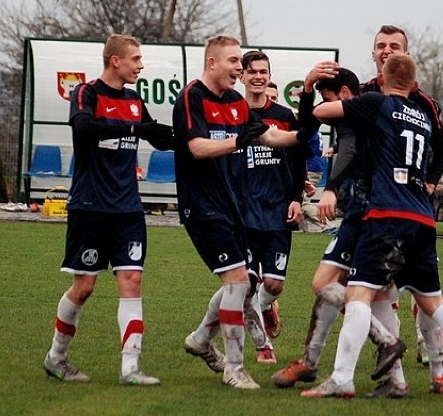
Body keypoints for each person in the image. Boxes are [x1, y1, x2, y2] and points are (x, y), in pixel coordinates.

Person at [301, 53, 443, 400]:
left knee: (358, 294)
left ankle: (342, 378)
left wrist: (315, 90)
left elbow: (321, 112)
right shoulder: (422, 116)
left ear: (384, 77)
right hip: (422, 217)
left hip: (386, 216)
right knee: (433, 301)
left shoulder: (378, 102)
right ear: (414, 83)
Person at [173, 35, 307, 390]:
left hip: (232, 206)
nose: (239, 69)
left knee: (242, 282)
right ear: (212, 62)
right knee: (237, 281)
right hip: (203, 206)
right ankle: (235, 367)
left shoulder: (235, 101)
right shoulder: (192, 97)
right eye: (234, 62)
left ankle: (202, 339)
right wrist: (237, 142)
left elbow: (266, 135)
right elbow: (197, 148)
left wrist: (300, 135)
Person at [43, 34, 175, 386]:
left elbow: (155, 134)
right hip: (90, 205)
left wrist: (199, 139)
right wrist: (134, 127)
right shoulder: (87, 93)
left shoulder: (134, 99)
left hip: (128, 208)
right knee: (84, 287)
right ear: (115, 61)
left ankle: (130, 368)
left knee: (132, 280)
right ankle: (56, 357)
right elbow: (83, 128)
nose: (141, 65)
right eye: (135, 59)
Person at [272, 64, 408, 397]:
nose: (324, 107)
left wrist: (331, 187)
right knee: (355, 292)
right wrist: (306, 88)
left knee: (330, 285)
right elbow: (307, 129)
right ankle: (313, 362)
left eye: (326, 97)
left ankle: (387, 347)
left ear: (344, 95)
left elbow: (345, 147)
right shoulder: (377, 108)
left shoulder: (356, 112)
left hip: (366, 214)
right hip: (379, 212)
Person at [359, 24, 443, 396]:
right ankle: (393, 374)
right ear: (373, 54)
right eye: (381, 46)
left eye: (394, 46)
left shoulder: (424, 101)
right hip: (374, 208)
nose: (386, 51)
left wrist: (431, 181)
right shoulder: (365, 94)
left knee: (425, 295)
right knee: (381, 293)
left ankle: (440, 372)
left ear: (406, 54)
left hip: (413, 209)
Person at [239, 50, 307, 364]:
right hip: (244, 210)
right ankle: (263, 345)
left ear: (269, 76)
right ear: (241, 76)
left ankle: (267, 307)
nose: (257, 76)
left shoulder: (284, 115)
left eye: (263, 72)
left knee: (274, 284)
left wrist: (296, 198)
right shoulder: (232, 113)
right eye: (251, 71)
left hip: (278, 207)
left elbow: (298, 160)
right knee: (247, 283)